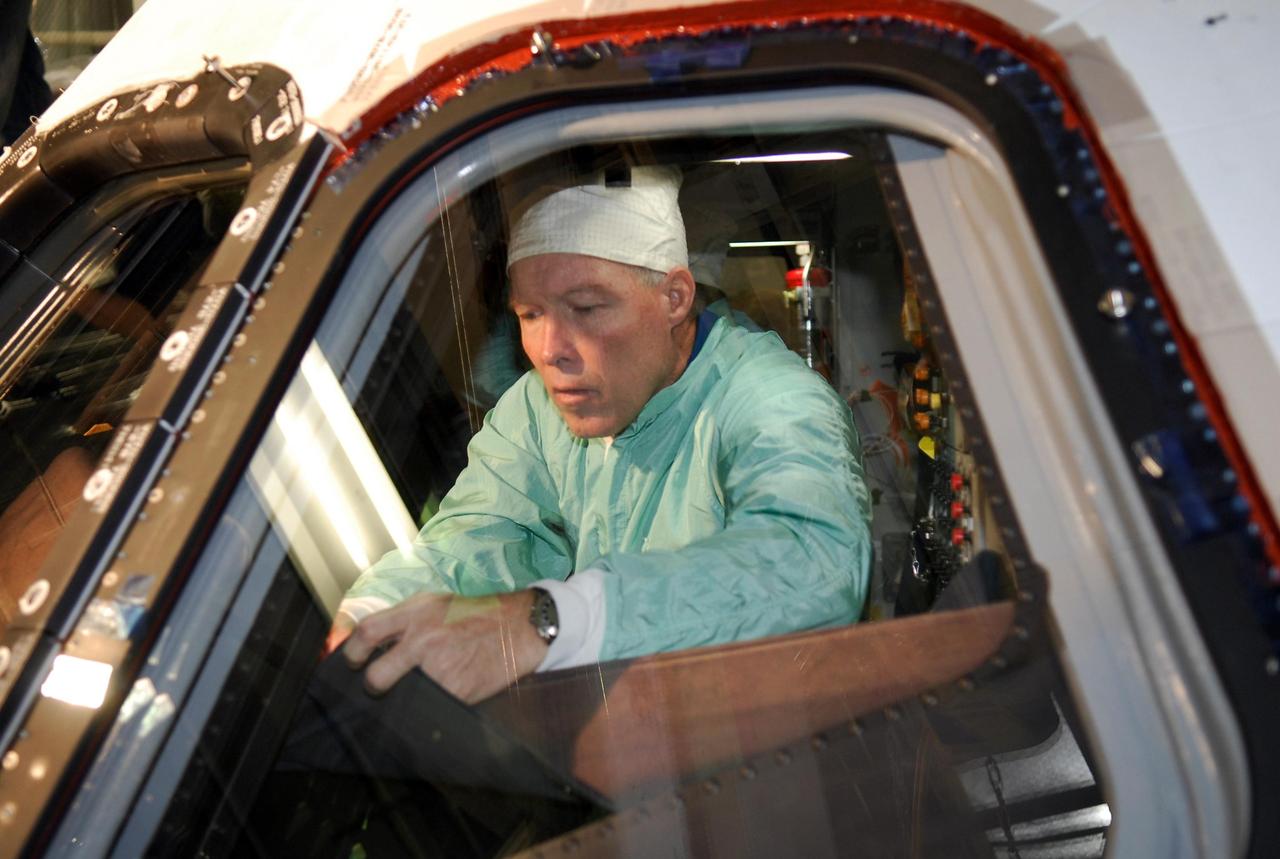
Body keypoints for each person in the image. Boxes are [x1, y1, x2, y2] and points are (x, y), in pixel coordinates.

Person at [332, 165, 872, 703]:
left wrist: (547, 621)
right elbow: (483, 535)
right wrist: (373, 615)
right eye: (530, 313)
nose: (549, 350)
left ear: (674, 298)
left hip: (761, 745)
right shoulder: (538, 408)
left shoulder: (770, 401)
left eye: (586, 309)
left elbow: (812, 562)